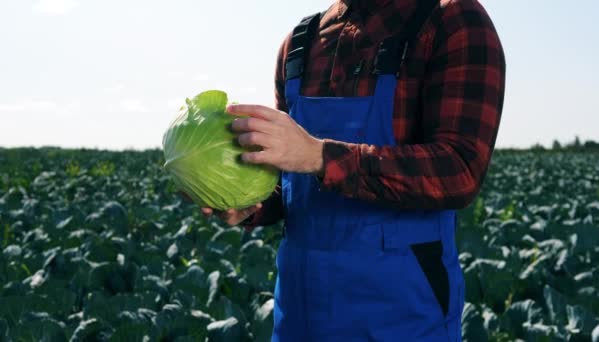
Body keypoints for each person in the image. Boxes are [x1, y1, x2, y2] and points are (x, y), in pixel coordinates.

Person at [201, 0, 506, 340]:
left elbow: (459, 169)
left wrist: (320, 156)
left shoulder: (451, 19)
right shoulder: (299, 42)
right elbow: (291, 182)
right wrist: (247, 203)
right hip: (299, 319)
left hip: (403, 320)